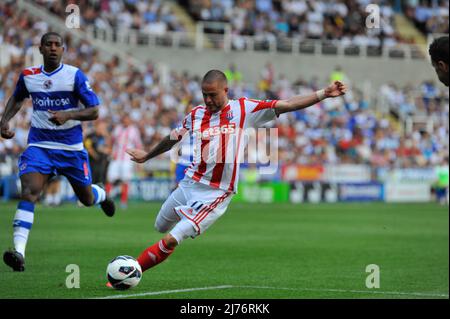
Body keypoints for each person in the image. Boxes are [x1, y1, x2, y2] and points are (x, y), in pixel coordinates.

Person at [120, 70, 346, 282]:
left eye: (213, 95)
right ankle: (187, 218)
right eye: (204, 95)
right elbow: (173, 138)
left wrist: (323, 94)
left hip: (217, 193)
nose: (208, 100)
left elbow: (287, 104)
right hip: (189, 184)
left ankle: (129, 272)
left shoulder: (244, 109)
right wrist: (147, 155)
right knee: (160, 225)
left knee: (171, 238)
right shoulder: (196, 114)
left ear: (225, 91)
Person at [0, 32, 115, 272]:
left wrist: (68, 115)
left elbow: (94, 111)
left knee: (86, 198)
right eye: (48, 45)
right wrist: (4, 120)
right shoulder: (29, 76)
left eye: (57, 45)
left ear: (63, 50)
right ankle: (19, 252)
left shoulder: (74, 76)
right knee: (30, 191)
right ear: (40, 49)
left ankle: (101, 194)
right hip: (39, 146)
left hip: (71, 149)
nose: (53, 48)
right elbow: (17, 98)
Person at [106, 114, 143, 209]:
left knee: (125, 180)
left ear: (130, 120)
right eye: (124, 119)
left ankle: (123, 201)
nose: (125, 121)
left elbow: (138, 145)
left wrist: (140, 160)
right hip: (116, 158)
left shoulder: (134, 130)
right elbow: (111, 140)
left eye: (127, 119)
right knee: (110, 178)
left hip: (127, 159)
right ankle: (106, 200)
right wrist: (110, 150)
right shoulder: (117, 128)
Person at [84, 120, 111, 185]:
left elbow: (109, 148)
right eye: (100, 127)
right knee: (92, 180)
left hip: (102, 164)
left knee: (101, 181)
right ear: (96, 127)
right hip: (92, 163)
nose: (102, 129)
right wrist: (96, 156)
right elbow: (88, 148)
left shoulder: (104, 137)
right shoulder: (90, 136)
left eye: (103, 128)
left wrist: (106, 135)